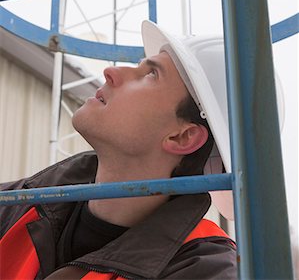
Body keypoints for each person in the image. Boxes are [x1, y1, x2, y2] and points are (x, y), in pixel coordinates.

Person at [0, 20, 238, 279]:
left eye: (151, 74)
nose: (110, 72)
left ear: (182, 137)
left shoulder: (205, 269)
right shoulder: (16, 204)